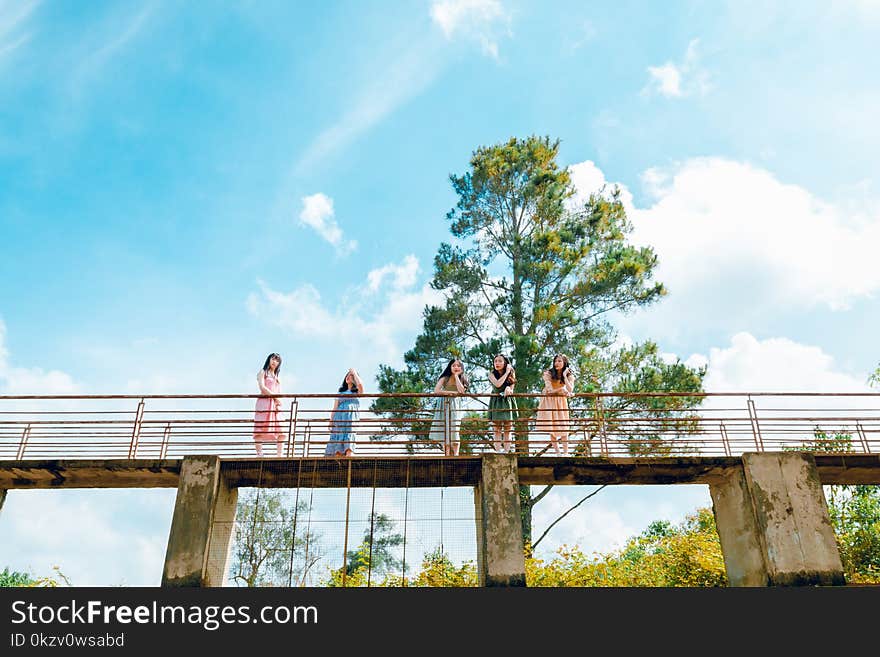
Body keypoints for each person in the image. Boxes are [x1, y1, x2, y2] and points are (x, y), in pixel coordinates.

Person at [536, 353, 575, 455]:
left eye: (559, 361)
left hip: (561, 401)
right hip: (549, 400)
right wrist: (561, 389)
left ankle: (566, 453)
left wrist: (564, 376)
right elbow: (549, 390)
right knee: (552, 427)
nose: (556, 363)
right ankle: (558, 453)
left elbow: (570, 389)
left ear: (565, 363)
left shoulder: (569, 375)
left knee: (564, 426)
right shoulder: (548, 374)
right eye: (555, 361)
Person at [429, 358, 468, 456]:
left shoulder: (463, 378)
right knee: (445, 428)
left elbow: (462, 391)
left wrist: (456, 376)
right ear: (450, 367)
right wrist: (452, 393)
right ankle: (446, 453)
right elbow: (436, 390)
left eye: (458, 366)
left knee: (455, 428)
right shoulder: (444, 378)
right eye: (453, 365)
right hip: (444, 404)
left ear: (461, 368)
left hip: (455, 404)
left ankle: (456, 454)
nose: (456, 367)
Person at [325, 368, 364, 457]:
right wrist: (331, 420)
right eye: (347, 375)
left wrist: (354, 372)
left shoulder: (357, 391)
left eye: (351, 376)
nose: (348, 377)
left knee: (349, 433)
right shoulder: (340, 392)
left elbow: (361, 386)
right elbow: (335, 407)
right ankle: (338, 458)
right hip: (339, 417)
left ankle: (349, 455)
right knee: (338, 434)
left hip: (350, 416)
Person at [254, 353, 284, 457]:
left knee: (281, 430)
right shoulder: (263, 372)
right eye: (273, 359)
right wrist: (275, 397)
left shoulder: (276, 376)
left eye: (277, 360)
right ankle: (259, 454)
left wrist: (278, 402)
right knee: (259, 428)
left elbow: (278, 391)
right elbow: (262, 387)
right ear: (269, 359)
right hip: (264, 402)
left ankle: (280, 455)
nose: (274, 362)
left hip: (275, 405)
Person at [487, 354, 517, 453]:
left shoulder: (512, 373)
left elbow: (512, 389)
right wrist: (507, 372)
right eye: (495, 361)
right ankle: (498, 451)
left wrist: (509, 388)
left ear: (505, 363)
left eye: (500, 361)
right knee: (497, 429)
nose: (497, 363)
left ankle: (507, 451)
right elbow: (498, 384)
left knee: (508, 428)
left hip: (507, 401)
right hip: (496, 401)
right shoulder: (491, 374)